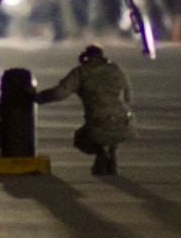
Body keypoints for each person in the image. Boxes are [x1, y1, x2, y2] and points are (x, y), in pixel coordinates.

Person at [36, 44, 135, 175]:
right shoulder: (117, 69)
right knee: (113, 121)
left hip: (99, 125)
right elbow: (128, 98)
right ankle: (112, 160)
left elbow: (59, 94)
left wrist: (36, 98)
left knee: (82, 137)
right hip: (127, 125)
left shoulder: (81, 72)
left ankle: (101, 153)